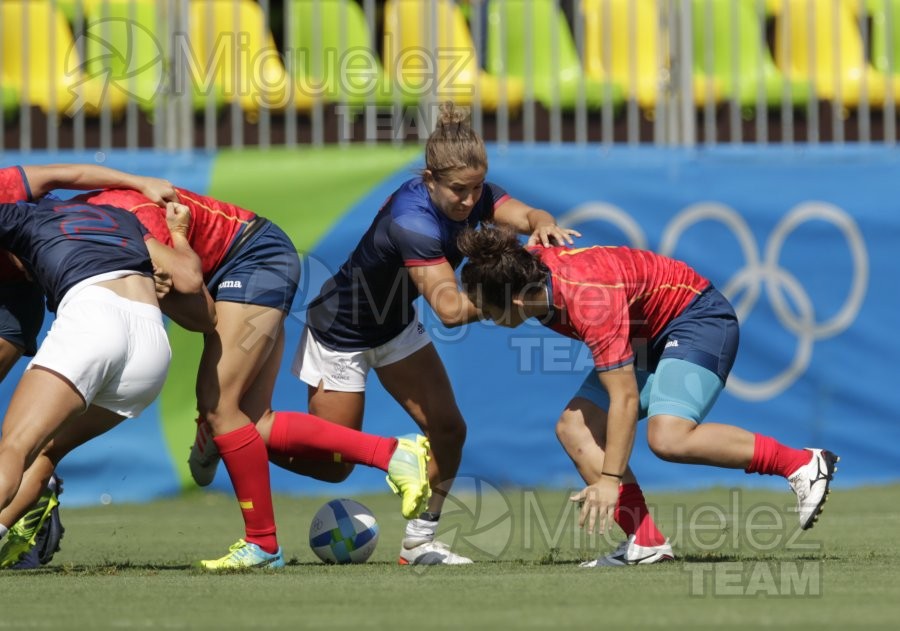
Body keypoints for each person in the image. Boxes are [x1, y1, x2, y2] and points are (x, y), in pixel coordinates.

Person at [43, 170, 431, 570]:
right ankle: (390, 454)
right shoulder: (80, 229)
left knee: (219, 407)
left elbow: (199, 307)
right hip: (251, 263)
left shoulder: (120, 219)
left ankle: (269, 540)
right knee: (249, 423)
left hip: (256, 260)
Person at [286, 102, 580, 565]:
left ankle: (419, 541)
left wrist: (544, 225)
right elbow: (448, 309)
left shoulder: (475, 193)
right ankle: (237, 437)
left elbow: (525, 214)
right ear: (429, 178)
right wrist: (517, 300)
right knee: (333, 466)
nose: (469, 200)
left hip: (395, 324)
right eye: (459, 190)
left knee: (448, 429)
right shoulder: (413, 221)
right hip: (341, 331)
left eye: (477, 188)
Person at [456, 224, 839, 566]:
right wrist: (538, 220)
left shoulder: (590, 302)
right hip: (644, 334)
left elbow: (622, 398)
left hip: (696, 318)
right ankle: (645, 542)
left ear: (517, 302)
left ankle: (800, 463)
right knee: (575, 428)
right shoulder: (523, 266)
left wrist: (609, 480)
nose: (481, 314)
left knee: (668, 437)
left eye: (486, 308)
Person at [0, 164, 180, 569]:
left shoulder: (22, 218)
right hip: (151, 349)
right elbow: (187, 281)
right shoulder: (121, 218)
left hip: (94, 320)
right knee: (44, 449)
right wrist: (176, 244)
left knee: (14, 445)